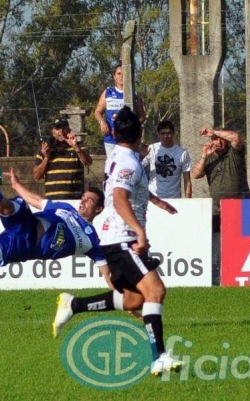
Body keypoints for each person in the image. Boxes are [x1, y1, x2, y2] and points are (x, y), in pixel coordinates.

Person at [53, 106, 183, 376]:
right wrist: (140, 231)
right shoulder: (129, 161)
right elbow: (120, 198)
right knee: (155, 291)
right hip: (123, 237)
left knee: (135, 300)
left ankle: (73, 304)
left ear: (114, 132)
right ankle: (158, 357)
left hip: (116, 238)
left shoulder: (119, 157)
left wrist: (157, 202)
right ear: (140, 134)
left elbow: (129, 191)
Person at [191, 127, 250, 285]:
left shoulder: (234, 153)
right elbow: (196, 174)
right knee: (217, 243)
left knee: (240, 242)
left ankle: (240, 272)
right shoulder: (210, 158)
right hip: (217, 209)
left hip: (239, 207)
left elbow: (237, 137)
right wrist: (204, 156)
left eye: (220, 139)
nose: (217, 142)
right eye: (214, 140)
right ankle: (217, 275)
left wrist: (214, 132)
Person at [32, 117, 92, 200]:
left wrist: (75, 147)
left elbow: (88, 162)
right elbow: (36, 176)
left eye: (64, 128)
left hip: (74, 199)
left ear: (69, 130)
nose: (61, 131)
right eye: (58, 129)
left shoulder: (78, 145)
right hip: (53, 199)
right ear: (53, 132)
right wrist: (46, 158)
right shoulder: (46, 149)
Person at [94, 61, 146, 156]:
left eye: (124, 74)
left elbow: (142, 116)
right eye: (119, 73)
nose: (121, 76)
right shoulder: (108, 92)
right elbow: (97, 112)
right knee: (113, 167)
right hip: (111, 139)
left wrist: (132, 127)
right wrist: (101, 122)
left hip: (129, 140)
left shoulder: (135, 94)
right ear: (114, 76)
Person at [142, 120, 192, 198]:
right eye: (163, 133)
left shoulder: (182, 153)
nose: (166, 136)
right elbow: (139, 166)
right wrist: (141, 155)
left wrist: (188, 200)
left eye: (169, 133)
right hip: (154, 197)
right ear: (158, 134)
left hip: (174, 198)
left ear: (173, 133)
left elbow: (187, 180)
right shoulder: (152, 149)